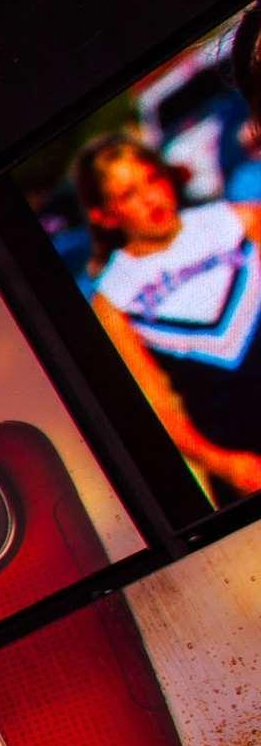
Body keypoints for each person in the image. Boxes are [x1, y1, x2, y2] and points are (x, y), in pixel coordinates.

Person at [73, 132, 261, 495]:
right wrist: (226, 465)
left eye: (153, 179)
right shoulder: (114, 297)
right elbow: (157, 405)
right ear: (105, 216)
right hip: (242, 456)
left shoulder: (239, 221)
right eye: (128, 195)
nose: (150, 198)